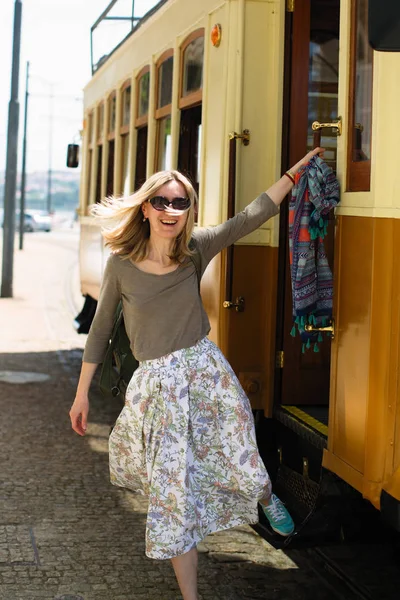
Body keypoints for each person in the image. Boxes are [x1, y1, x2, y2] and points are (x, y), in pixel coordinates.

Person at [69, 146, 322, 600]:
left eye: (180, 202)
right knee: (172, 496)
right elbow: (100, 330)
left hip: (206, 373)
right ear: (146, 208)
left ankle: (266, 496)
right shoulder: (121, 266)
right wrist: (81, 394)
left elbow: (249, 217)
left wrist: (291, 175)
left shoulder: (195, 250)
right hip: (156, 387)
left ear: (188, 211)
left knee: (241, 450)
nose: (170, 210)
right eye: (161, 201)